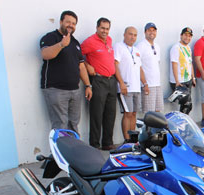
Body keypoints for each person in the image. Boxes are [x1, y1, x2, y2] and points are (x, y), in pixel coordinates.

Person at [40, 10, 92, 134]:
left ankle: (73, 152)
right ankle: (59, 153)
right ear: (61, 22)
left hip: (74, 90)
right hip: (55, 90)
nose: (70, 25)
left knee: (73, 125)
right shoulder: (50, 37)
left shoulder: (75, 42)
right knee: (60, 125)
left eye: (73, 23)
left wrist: (88, 85)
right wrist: (61, 45)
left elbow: (81, 66)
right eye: (68, 22)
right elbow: (45, 54)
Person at [81, 17, 116, 150]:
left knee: (110, 114)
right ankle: (94, 145)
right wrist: (87, 64)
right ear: (97, 28)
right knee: (96, 114)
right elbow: (77, 54)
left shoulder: (110, 40)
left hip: (111, 80)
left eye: (107, 29)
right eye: (102, 28)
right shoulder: (90, 41)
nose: (105, 31)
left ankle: (107, 143)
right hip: (98, 81)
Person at [113, 27, 145, 143]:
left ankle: (133, 139)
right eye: (130, 34)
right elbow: (115, 65)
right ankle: (126, 140)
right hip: (126, 87)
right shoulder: (118, 47)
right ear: (124, 34)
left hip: (137, 87)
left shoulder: (136, 50)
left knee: (134, 113)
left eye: (135, 35)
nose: (133, 37)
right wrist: (121, 83)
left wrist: (144, 83)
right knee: (128, 113)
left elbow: (140, 68)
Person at [137, 22, 163, 113]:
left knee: (158, 111)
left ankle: (157, 128)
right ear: (145, 32)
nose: (152, 32)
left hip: (157, 84)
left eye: (154, 30)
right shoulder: (141, 46)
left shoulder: (157, 46)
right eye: (149, 30)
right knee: (149, 113)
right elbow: (138, 66)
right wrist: (145, 84)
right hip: (148, 85)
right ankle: (149, 128)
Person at [169, 27, 196, 114]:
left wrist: (193, 77)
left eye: (189, 36)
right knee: (186, 105)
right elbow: (174, 64)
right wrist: (177, 81)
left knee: (188, 106)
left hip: (188, 80)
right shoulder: (176, 48)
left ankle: (184, 124)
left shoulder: (188, 48)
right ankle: (181, 125)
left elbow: (190, 63)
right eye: (185, 35)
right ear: (181, 35)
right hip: (179, 81)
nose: (187, 38)